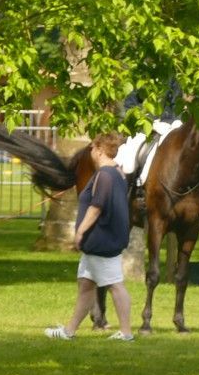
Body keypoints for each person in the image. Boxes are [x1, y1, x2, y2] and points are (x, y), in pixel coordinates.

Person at [45, 132, 134, 341]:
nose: (91, 151)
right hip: (101, 241)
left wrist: (80, 232)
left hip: (101, 241)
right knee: (86, 285)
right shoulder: (117, 172)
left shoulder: (104, 175)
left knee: (115, 285)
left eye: (93, 148)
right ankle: (69, 331)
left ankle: (126, 332)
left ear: (101, 150)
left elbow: (96, 207)